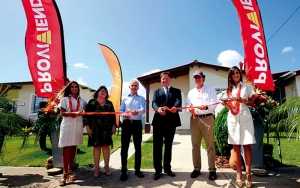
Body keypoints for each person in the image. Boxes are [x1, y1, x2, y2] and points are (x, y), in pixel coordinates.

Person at [221, 66, 255, 188]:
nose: (236, 75)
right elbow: (227, 103)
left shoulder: (247, 87)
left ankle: (249, 173)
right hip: (233, 120)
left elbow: (253, 102)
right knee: (236, 146)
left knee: (246, 145)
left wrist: (243, 101)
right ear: (230, 76)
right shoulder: (228, 90)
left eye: (237, 73)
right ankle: (239, 173)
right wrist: (225, 103)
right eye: (233, 74)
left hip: (245, 118)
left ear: (240, 74)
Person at [186, 70, 218, 180]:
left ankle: (212, 170)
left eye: (199, 77)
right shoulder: (191, 92)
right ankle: (196, 168)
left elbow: (214, 104)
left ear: (203, 78)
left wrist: (207, 107)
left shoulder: (211, 89)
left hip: (208, 118)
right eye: (195, 77)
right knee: (195, 145)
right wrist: (189, 108)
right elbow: (187, 105)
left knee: (210, 145)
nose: (197, 79)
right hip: (194, 119)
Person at [151, 72, 182, 180]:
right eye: (163, 79)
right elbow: (154, 102)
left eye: (166, 78)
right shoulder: (156, 91)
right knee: (157, 147)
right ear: (161, 80)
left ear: (170, 79)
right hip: (158, 122)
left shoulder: (176, 91)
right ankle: (157, 170)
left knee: (168, 146)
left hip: (171, 122)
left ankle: (167, 168)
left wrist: (175, 107)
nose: (165, 80)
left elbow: (179, 101)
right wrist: (157, 109)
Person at [58, 81, 87, 186]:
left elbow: (89, 110)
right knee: (66, 148)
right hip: (68, 125)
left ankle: (70, 171)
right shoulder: (65, 99)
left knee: (73, 148)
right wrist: (73, 113)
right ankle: (64, 174)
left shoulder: (82, 101)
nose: (74, 88)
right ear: (69, 88)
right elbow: (62, 113)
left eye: (76, 87)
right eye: (72, 87)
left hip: (77, 126)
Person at [84, 86, 116, 178]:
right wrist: (87, 127)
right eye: (101, 91)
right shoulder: (92, 102)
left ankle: (106, 167)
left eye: (105, 91)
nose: (103, 92)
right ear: (97, 92)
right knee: (97, 147)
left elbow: (113, 116)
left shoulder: (109, 103)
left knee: (106, 147)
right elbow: (86, 115)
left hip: (107, 129)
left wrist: (114, 126)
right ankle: (97, 168)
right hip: (95, 129)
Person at [119, 79, 146, 181]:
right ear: (129, 87)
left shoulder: (141, 98)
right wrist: (123, 114)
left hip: (137, 124)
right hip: (126, 124)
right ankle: (124, 171)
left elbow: (143, 109)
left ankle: (137, 169)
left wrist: (137, 112)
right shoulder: (125, 98)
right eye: (132, 85)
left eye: (136, 86)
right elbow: (120, 110)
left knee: (138, 147)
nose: (134, 87)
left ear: (138, 88)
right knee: (124, 148)